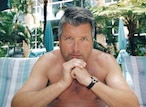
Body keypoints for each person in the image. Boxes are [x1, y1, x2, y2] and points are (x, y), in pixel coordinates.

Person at [11, 7, 139, 107]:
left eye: (83, 39)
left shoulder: (105, 62)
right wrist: (61, 84)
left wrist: (90, 81)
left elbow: (132, 104)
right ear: (59, 40)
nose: (76, 48)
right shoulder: (47, 62)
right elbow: (18, 104)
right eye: (69, 39)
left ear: (92, 40)